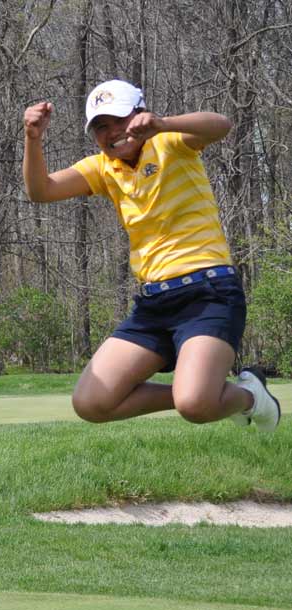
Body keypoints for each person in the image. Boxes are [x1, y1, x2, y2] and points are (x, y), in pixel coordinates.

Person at [22, 80, 280, 433]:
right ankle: (204, 391)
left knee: (194, 405)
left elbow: (221, 125)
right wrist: (33, 139)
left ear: (139, 114)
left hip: (208, 294)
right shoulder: (103, 168)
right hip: (153, 306)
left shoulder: (171, 142)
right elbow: (41, 191)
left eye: (119, 120)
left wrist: (164, 123)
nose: (111, 132)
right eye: (100, 126)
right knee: (91, 403)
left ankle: (251, 397)